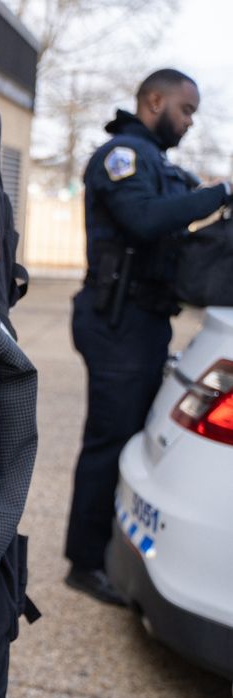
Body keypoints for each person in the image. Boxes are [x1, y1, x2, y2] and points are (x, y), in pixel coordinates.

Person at [65, 69, 232, 605]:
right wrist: (221, 192)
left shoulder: (161, 166)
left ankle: (111, 542)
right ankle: (85, 562)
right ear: (154, 100)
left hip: (143, 322)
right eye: (185, 110)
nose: (188, 123)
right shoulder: (123, 158)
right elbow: (141, 219)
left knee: (130, 436)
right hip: (117, 323)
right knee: (109, 440)